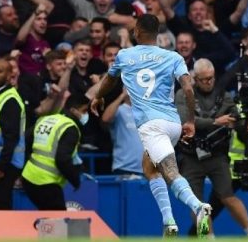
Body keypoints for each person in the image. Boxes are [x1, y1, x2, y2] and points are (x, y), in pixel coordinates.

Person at [91, 14, 212, 238]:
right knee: (149, 167)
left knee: (170, 171)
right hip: (172, 122)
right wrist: (191, 121)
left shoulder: (125, 55)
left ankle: (198, 206)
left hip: (151, 124)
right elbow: (187, 89)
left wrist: (98, 96)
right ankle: (169, 222)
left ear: (137, 32)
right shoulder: (173, 56)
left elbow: (109, 80)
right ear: (157, 34)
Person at [175, 58, 248, 237]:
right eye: (204, 79)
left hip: (216, 154)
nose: (209, 82)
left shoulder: (223, 94)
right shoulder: (183, 94)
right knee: (197, 204)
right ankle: (208, 238)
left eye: (211, 78)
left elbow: (236, 115)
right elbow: (186, 121)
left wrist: (245, 121)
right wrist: (215, 121)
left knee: (228, 196)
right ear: (194, 78)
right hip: (191, 155)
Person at [21, 95, 89, 210]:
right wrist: (75, 180)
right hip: (46, 182)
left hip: (28, 178)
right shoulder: (71, 128)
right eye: (84, 111)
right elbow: (62, 159)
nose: (86, 115)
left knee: (47, 222)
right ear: (73, 110)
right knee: (58, 224)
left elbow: (25, 142)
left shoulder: (46, 119)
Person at [0, 58, 25, 209]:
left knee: (1, 205)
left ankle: (4, 233)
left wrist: (1, 167)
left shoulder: (10, 100)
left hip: (4, 163)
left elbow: (11, 138)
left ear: (9, 75)